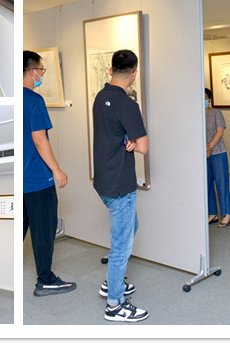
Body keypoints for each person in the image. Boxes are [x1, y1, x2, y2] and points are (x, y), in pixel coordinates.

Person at [92, 49, 149, 323]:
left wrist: (128, 140)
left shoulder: (100, 97)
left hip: (104, 181)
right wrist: (134, 142)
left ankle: (111, 283)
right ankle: (114, 305)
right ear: (134, 74)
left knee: (130, 227)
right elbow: (144, 147)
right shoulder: (127, 105)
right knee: (121, 246)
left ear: (111, 70)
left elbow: (112, 133)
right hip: (120, 185)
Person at [23, 50, 76, 297]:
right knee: (43, 231)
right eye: (41, 70)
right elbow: (39, 139)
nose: (42, 75)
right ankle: (45, 280)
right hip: (37, 179)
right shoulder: (34, 101)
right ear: (31, 71)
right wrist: (57, 170)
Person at [205, 88, 230, 227]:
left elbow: (220, 132)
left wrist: (209, 147)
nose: (203, 100)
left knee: (222, 184)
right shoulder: (197, 114)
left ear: (209, 99)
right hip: (203, 155)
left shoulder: (216, 113)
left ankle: (227, 214)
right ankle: (212, 214)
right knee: (207, 184)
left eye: (205, 98)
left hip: (218, 153)